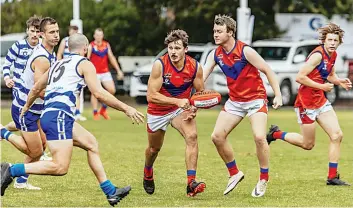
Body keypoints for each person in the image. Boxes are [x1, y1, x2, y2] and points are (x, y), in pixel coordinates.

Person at [1, 33, 145, 206]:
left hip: (54, 115)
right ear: (86, 48)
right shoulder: (85, 63)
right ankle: (12, 169)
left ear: (68, 48)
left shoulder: (57, 63)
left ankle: (111, 192)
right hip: (59, 116)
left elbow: (36, 87)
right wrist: (126, 108)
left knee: (91, 144)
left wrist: (25, 108)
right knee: (60, 167)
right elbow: (98, 93)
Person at [203, 14, 283, 197]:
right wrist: (193, 98)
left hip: (256, 99)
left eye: (219, 31)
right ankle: (234, 173)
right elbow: (202, 75)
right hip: (235, 102)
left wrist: (277, 94)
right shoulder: (215, 54)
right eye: (214, 31)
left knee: (259, 137)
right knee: (217, 136)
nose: (215, 34)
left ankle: (263, 178)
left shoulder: (246, 51)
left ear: (230, 32)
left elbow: (267, 69)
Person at [266, 23, 351, 186]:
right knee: (308, 144)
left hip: (320, 100)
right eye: (330, 40)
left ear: (339, 42)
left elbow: (330, 74)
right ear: (324, 41)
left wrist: (339, 82)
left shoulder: (333, 55)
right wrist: (322, 87)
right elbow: (300, 77)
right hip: (306, 103)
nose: (332, 43)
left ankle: (332, 177)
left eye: (335, 40)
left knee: (337, 135)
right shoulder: (317, 55)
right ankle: (276, 134)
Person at [143, 29, 206, 197]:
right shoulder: (160, 65)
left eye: (177, 48)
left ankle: (191, 183)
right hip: (158, 110)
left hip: (180, 110)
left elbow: (199, 93)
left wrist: (194, 108)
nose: (173, 52)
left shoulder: (195, 67)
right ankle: (148, 170)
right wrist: (177, 101)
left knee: (192, 136)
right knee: (153, 149)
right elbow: (151, 95)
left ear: (186, 49)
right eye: (170, 48)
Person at [1, 16, 59, 191]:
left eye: (57, 31)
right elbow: (39, 89)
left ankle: (20, 181)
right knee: (34, 152)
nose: (56, 35)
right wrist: (60, 97)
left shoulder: (50, 52)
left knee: (42, 146)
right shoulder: (42, 58)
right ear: (42, 34)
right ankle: (3, 132)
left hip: (36, 107)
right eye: (52, 32)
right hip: (25, 108)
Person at [87, 28, 124, 120]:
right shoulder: (91, 45)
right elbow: (87, 59)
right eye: (97, 35)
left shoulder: (106, 45)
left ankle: (103, 109)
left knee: (112, 90)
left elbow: (111, 57)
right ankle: (95, 112)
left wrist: (118, 70)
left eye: (100, 35)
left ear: (102, 36)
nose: (99, 37)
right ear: (94, 36)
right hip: (94, 73)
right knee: (94, 93)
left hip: (105, 71)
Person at [57, 25, 87, 121]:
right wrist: (59, 65)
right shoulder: (65, 41)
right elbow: (59, 53)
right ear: (69, 32)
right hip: (66, 68)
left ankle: (77, 112)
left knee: (77, 91)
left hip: (76, 68)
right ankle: (65, 110)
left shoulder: (80, 42)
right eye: (72, 31)